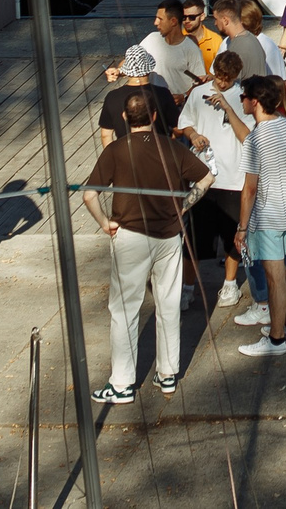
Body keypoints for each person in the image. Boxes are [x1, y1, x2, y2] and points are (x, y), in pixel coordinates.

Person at [84, 89, 209, 402]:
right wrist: (184, 205)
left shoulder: (115, 150)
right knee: (168, 304)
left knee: (125, 309)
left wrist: (104, 223)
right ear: (154, 116)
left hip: (129, 236)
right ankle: (167, 374)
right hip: (168, 236)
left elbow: (89, 195)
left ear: (126, 118)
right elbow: (206, 178)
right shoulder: (171, 148)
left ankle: (123, 383)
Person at [233, 75, 286, 359]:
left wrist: (242, 229)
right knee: (282, 270)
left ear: (254, 101)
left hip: (266, 216)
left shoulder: (256, 139)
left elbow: (249, 189)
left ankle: (276, 338)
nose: (242, 100)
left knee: (273, 278)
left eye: (244, 96)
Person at [178, 52, 261, 310]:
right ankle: (187, 288)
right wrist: (193, 136)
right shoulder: (197, 93)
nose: (223, 83)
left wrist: (227, 107)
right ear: (214, 70)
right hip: (203, 178)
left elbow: (247, 136)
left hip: (233, 178)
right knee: (194, 238)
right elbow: (185, 124)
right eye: (220, 77)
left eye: (229, 79)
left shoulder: (243, 98)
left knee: (232, 236)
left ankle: (229, 284)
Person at [95, 46, 178, 149]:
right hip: (158, 155)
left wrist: (114, 157)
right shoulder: (163, 93)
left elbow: (106, 135)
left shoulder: (112, 97)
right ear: (149, 69)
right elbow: (178, 128)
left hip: (125, 155)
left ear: (126, 71)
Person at [211, 0, 272, 80]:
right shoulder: (251, 38)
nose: (215, 23)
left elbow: (230, 84)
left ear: (225, 21)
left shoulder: (238, 48)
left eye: (216, 19)